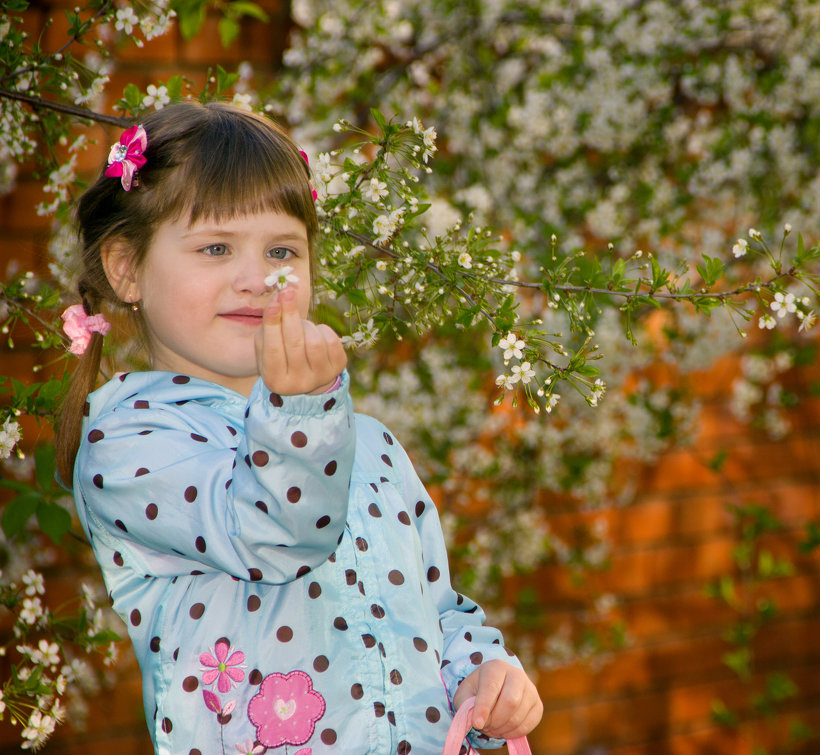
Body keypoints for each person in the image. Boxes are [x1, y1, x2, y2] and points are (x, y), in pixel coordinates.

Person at [55, 101, 542, 754]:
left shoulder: (365, 444)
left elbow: (437, 611)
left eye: (282, 249)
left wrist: (482, 675)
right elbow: (274, 532)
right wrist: (303, 411)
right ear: (127, 268)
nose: (257, 279)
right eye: (217, 247)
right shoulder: (131, 442)